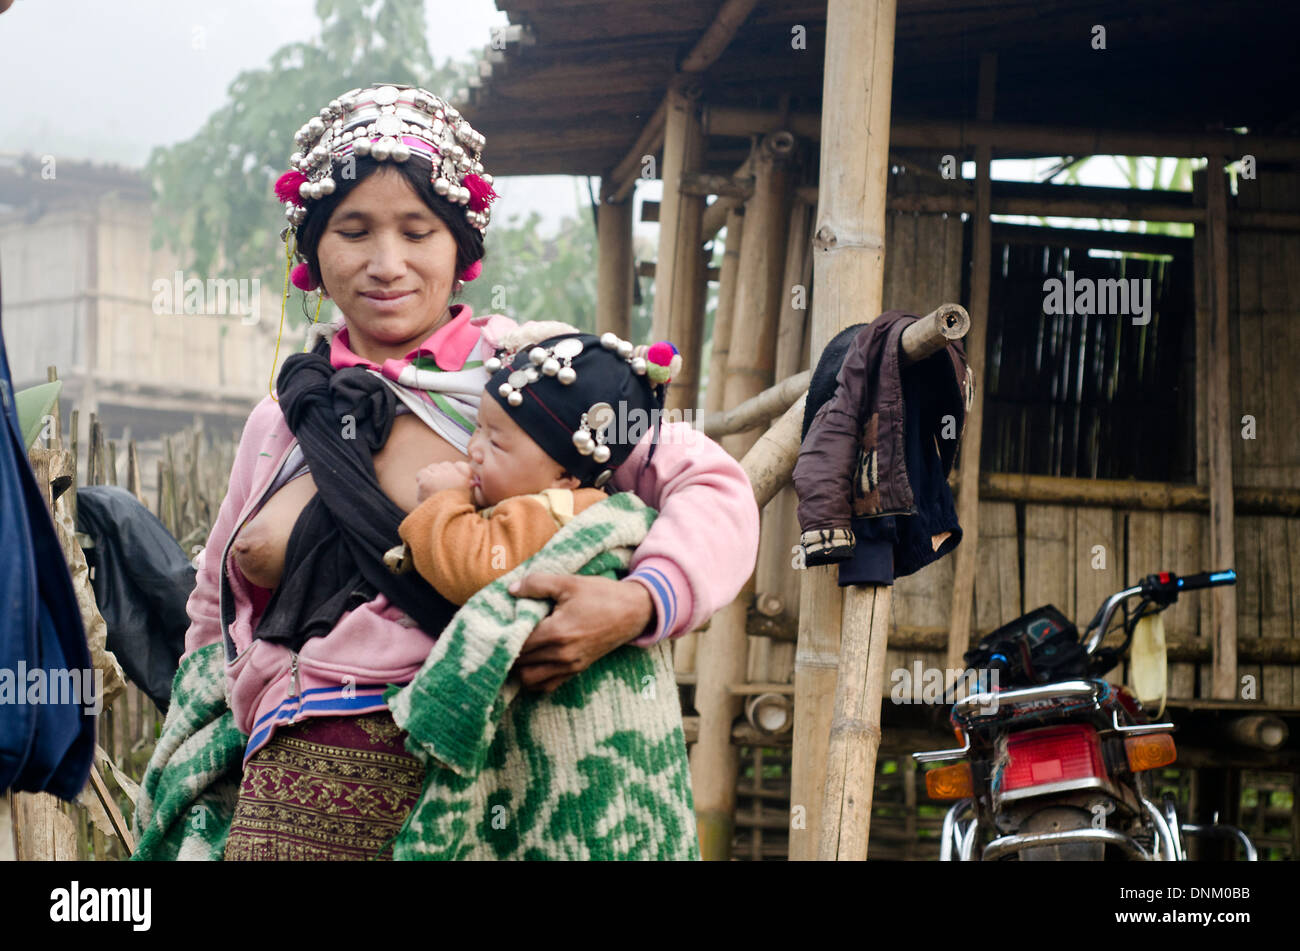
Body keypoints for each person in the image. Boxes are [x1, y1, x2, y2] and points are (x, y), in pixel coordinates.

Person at [166, 84, 758, 860]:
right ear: (312, 251)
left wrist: (641, 600)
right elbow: (213, 614)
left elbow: (710, 485)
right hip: (296, 791)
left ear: (460, 246)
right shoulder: (283, 420)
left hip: (497, 782)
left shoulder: (539, 374)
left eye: (418, 231)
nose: (387, 264)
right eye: (353, 230)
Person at [395, 329, 683, 605]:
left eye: (496, 443)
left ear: (564, 476)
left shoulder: (555, 513)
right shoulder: (545, 498)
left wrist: (443, 502)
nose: (473, 449)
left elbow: (474, 576)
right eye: (478, 428)